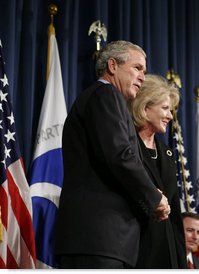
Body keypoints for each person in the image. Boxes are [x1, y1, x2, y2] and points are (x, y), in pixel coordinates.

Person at [54, 41, 170, 269]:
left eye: (144, 71)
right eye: (137, 68)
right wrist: (153, 197)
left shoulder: (103, 99)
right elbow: (119, 156)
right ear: (112, 65)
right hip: (98, 239)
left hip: (104, 241)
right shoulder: (105, 95)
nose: (142, 77)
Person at [129, 74, 187, 268]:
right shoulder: (126, 148)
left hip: (167, 251)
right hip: (138, 247)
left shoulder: (167, 152)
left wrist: (179, 258)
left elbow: (176, 214)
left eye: (170, 110)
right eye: (165, 109)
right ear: (145, 109)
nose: (170, 116)